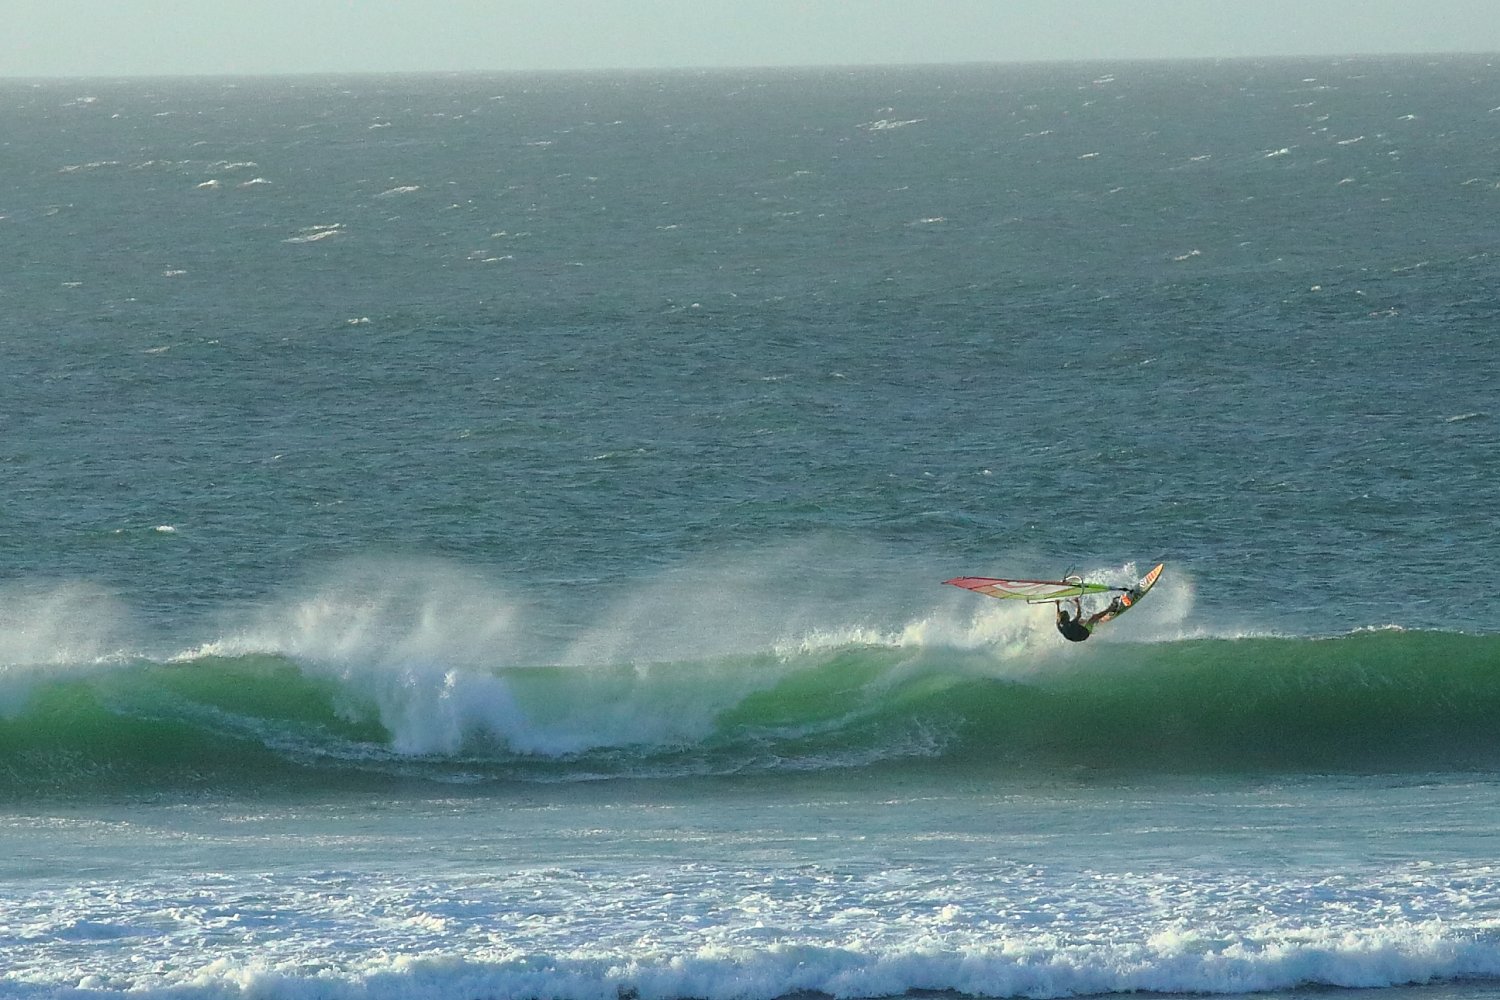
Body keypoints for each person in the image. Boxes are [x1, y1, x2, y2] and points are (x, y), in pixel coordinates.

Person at [1055, 592, 1133, 642]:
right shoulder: (1071, 624)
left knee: (1080, 621)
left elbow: (1058, 615)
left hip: (1074, 636)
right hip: (1084, 634)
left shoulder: (1059, 624)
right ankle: (1112, 608)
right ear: (1067, 619)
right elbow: (1079, 614)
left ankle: (1095, 622)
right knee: (1093, 617)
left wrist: (1057, 605)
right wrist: (1077, 602)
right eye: (1068, 616)